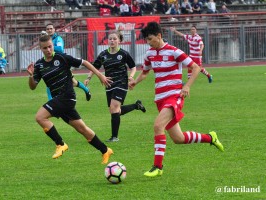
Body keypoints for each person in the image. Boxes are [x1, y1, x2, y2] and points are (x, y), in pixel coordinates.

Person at [129, 22, 224, 177]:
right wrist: (135, 81)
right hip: (160, 99)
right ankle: (210, 137)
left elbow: (196, 67)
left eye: (150, 39)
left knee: (158, 126)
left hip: (174, 96)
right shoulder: (149, 54)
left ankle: (158, 167)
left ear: (159, 36)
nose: (148, 42)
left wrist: (186, 86)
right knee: (178, 138)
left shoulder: (174, 52)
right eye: (146, 40)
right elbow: (145, 73)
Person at [26, 35, 114, 164]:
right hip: (59, 100)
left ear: (52, 45)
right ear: (40, 49)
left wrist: (100, 75)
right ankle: (105, 150)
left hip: (67, 97)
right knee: (82, 129)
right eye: (45, 48)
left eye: (50, 46)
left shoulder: (62, 57)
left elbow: (84, 62)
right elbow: (33, 86)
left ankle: (60, 144)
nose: (48, 50)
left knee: (40, 117)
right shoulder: (39, 65)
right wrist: (31, 76)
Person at [84, 30, 146, 142]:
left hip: (121, 83)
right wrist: (88, 78)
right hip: (108, 84)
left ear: (119, 41)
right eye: (110, 39)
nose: (112, 41)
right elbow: (94, 67)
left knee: (114, 108)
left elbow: (133, 67)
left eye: (114, 39)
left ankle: (114, 137)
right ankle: (136, 106)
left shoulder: (123, 54)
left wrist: (131, 76)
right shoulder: (103, 54)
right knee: (115, 111)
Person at [45, 23, 91, 101]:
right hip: (53, 63)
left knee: (71, 82)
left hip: (62, 62)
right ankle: (86, 90)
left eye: (51, 28)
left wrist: (50, 46)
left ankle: (51, 102)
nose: (49, 30)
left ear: (54, 30)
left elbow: (60, 49)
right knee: (71, 82)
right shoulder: (47, 40)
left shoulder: (58, 38)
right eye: (47, 29)